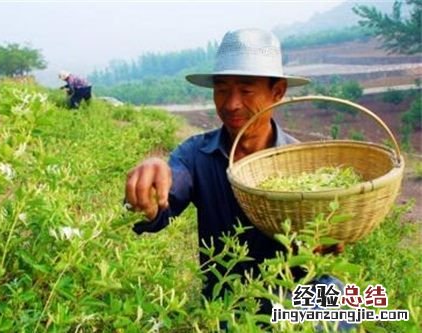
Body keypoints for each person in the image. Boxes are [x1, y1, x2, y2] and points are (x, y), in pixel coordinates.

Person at [125, 29, 353, 331]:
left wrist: (327, 242)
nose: (231, 104)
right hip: (228, 304)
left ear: (278, 92)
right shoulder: (197, 154)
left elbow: (326, 241)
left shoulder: (301, 166)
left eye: (246, 91)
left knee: (338, 302)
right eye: (221, 89)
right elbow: (168, 193)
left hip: (290, 300)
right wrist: (151, 189)